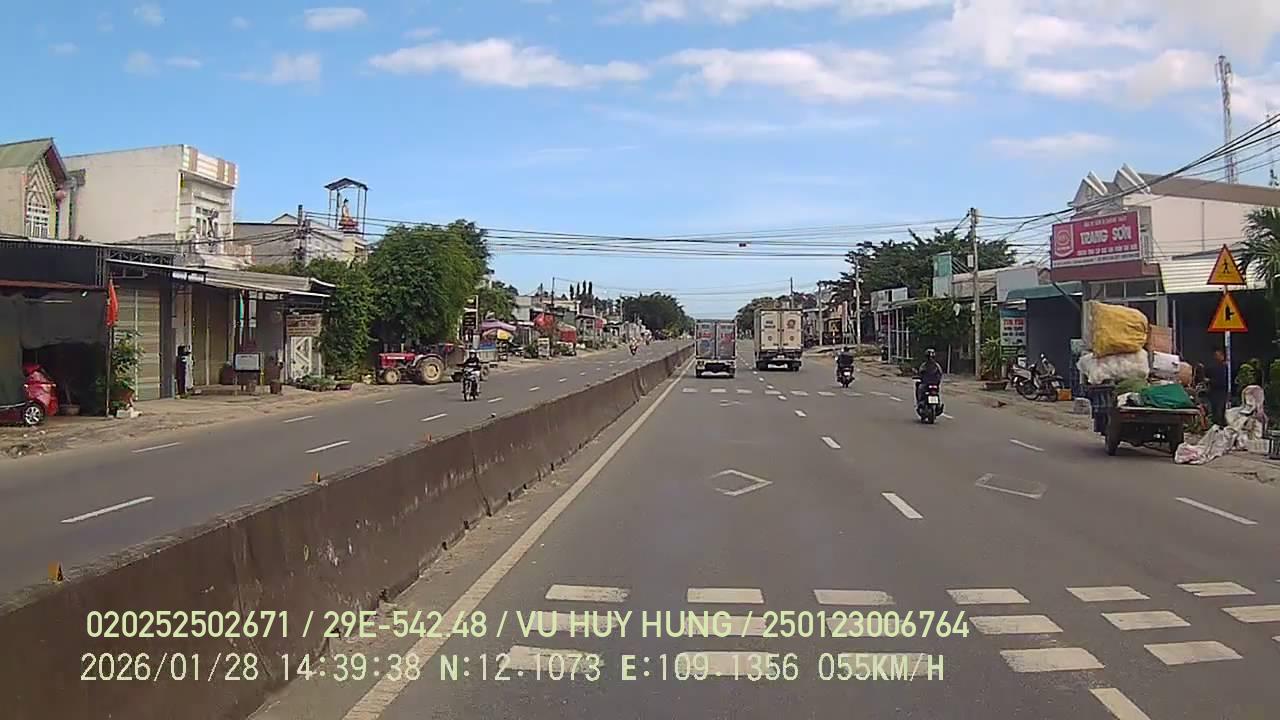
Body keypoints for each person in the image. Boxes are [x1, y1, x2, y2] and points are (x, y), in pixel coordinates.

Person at [1206, 347, 1229, 427]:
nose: (1216, 357)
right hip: (1213, 391)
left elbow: (1222, 380)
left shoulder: (1225, 368)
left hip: (1221, 391)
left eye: (1218, 355)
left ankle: (1220, 425)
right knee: (1215, 410)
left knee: (1220, 410)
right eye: (1215, 355)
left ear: (1222, 356)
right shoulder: (1212, 367)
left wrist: (1210, 381)